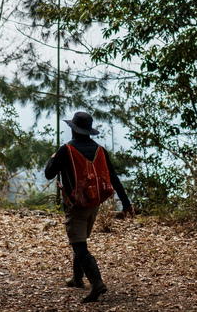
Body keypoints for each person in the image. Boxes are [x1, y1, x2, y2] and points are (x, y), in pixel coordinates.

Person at [45, 111, 135, 303]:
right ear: (88, 131)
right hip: (94, 203)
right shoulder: (100, 150)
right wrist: (126, 204)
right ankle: (77, 279)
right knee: (81, 239)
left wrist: (52, 158)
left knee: (78, 245)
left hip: (75, 205)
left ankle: (97, 283)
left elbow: (49, 174)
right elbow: (114, 179)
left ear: (73, 129)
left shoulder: (66, 150)